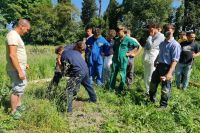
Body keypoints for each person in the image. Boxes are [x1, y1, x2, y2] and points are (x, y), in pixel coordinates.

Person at [149, 24, 181, 108]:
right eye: (166, 30)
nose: (167, 32)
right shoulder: (162, 43)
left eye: (169, 30)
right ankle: (151, 100)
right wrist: (156, 60)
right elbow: (160, 53)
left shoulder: (175, 45)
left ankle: (163, 105)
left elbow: (175, 60)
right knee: (153, 84)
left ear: (173, 31)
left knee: (165, 88)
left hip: (168, 68)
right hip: (159, 66)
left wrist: (169, 73)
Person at [60, 41, 97, 112]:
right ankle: (94, 99)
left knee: (69, 89)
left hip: (78, 71)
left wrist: (64, 71)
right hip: (85, 69)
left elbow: (65, 69)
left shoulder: (63, 55)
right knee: (88, 85)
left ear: (60, 52)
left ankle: (68, 110)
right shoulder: (75, 52)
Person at [6, 19, 31, 119]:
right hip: (15, 68)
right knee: (17, 89)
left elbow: (17, 54)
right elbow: (12, 55)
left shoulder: (16, 36)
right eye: (27, 29)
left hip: (19, 66)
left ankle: (18, 106)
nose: (27, 32)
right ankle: (13, 112)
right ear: (22, 26)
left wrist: (24, 64)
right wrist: (19, 70)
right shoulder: (12, 35)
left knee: (21, 86)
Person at [109, 25, 141, 94]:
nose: (118, 33)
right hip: (115, 60)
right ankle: (111, 88)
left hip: (123, 60)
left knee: (122, 74)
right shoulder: (117, 39)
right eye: (117, 32)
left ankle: (121, 89)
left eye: (119, 31)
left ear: (123, 31)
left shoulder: (128, 39)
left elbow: (137, 46)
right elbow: (114, 49)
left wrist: (131, 53)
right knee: (113, 73)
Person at [143, 24, 165, 94]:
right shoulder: (152, 35)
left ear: (156, 28)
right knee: (146, 74)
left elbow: (151, 46)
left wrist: (149, 36)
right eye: (149, 28)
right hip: (147, 55)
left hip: (153, 55)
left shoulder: (160, 36)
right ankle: (147, 90)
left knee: (151, 74)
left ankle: (151, 92)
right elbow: (146, 46)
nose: (150, 30)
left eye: (151, 28)